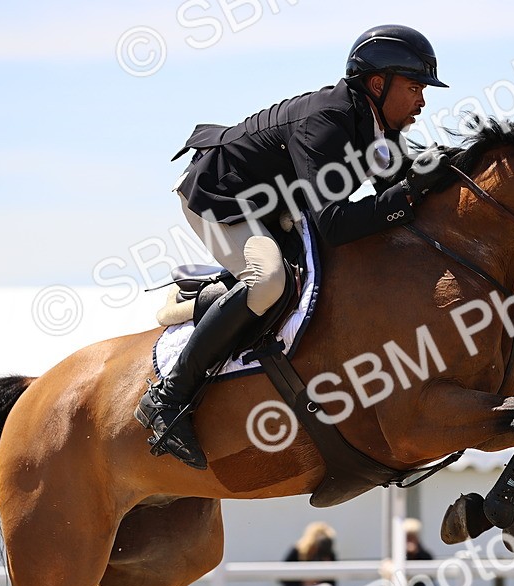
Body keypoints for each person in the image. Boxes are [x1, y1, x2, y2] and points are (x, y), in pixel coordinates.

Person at [136, 24, 455, 469]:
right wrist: (407, 194)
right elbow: (336, 223)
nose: (422, 101)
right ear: (377, 84)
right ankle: (166, 400)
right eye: (416, 87)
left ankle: (212, 302)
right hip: (220, 198)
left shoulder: (377, 126)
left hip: (275, 207)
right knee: (267, 281)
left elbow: (397, 184)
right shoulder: (325, 122)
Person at [280, 521, 340, 586]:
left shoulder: (328, 554)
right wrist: (303, 581)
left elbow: (333, 584)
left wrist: (324, 574)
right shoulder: (298, 550)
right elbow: (282, 577)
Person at [401, 517, 437, 586]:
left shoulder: (425, 554)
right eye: (407, 537)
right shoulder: (398, 554)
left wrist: (415, 553)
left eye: (412, 537)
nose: (409, 540)